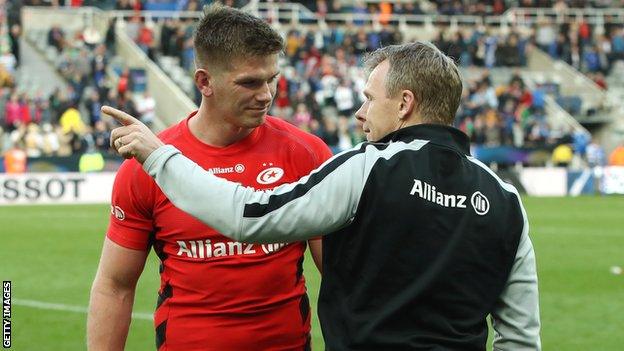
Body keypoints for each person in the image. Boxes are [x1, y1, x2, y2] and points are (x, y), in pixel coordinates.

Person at [105, 41, 541, 350]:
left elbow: (248, 216)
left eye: (370, 99)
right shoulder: (506, 200)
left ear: (404, 104)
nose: (360, 112)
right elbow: (521, 337)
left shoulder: (368, 166)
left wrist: (159, 156)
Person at [87, 5, 331, 351]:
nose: (265, 95)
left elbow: (340, 278)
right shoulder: (146, 166)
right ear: (204, 82)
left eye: (271, 79)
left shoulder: (306, 154)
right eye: (249, 82)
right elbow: (115, 285)